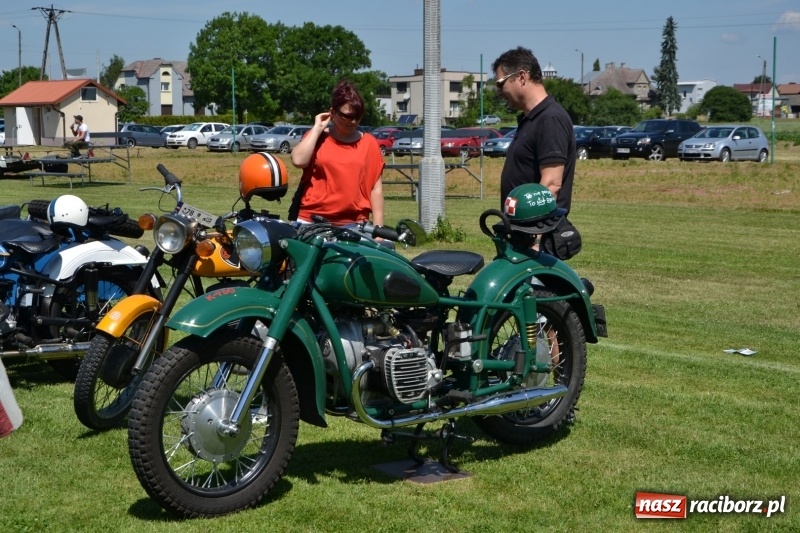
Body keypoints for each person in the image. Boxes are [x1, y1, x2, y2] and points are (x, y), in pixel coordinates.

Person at [289, 80, 385, 229]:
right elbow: (298, 160)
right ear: (333, 112)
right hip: (312, 221)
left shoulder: (369, 143)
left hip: (354, 224)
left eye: (358, 116)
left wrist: (378, 229)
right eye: (347, 116)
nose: (353, 121)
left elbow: (375, 189)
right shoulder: (318, 137)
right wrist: (317, 128)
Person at [492, 46, 575, 215]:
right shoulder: (531, 119)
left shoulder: (550, 119)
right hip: (521, 227)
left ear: (521, 77)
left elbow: (551, 185)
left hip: (538, 229)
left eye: (500, 84)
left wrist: (531, 230)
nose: (499, 92)